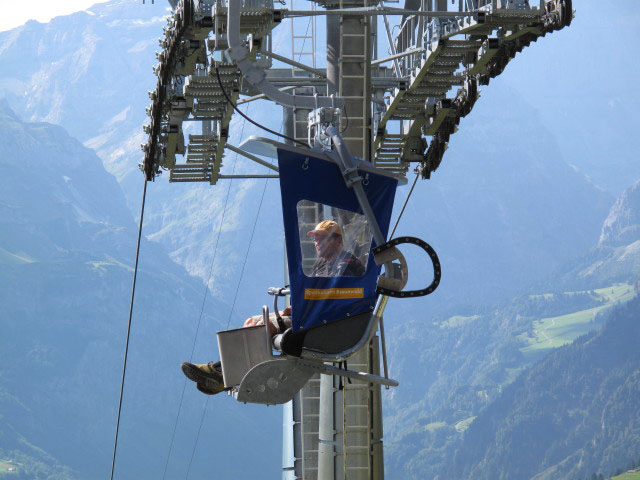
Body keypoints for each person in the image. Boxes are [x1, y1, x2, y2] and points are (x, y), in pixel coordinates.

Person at [181, 220, 365, 395]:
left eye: (322, 238)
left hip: (323, 324)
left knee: (264, 328)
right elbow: (312, 295)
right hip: (310, 317)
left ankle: (221, 375)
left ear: (337, 240)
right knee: (251, 321)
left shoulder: (347, 266)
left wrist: (299, 310)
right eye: (315, 238)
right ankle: (221, 371)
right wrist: (290, 310)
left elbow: (333, 301)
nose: (317, 243)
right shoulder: (323, 265)